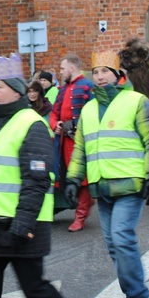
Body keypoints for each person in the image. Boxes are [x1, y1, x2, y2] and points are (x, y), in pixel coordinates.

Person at [0, 52, 94, 298]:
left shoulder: (31, 124)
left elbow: (37, 182)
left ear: (16, 90)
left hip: (21, 227)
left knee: (36, 289)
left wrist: (22, 226)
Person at [65, 49, 149, 298]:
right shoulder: (88, 109)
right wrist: (73, 179)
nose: (99, 76)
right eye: (95, 72)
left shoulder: (136, 102)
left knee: (122, 238)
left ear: (118, 75)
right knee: (113, 247)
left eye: (105, 71)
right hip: (103, 188)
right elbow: (81, 148)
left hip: (131, 184)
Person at [50, 54, 95, 231]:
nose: (60, 72)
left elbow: (93, 113)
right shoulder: (62, 90)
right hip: (63, 141)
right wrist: (56, 125)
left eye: (62, 69)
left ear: (71, 68)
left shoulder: (88, 86)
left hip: (79, 140)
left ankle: (81, 216)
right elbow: (54, 113)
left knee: (82, 177)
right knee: (66, 175)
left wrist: (79, 127)